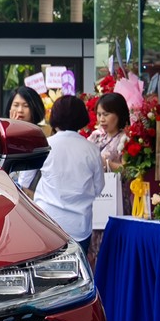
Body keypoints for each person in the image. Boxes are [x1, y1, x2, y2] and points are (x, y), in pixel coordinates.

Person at [36, 94, 106, 254]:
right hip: (79, 226)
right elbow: (98, 187)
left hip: (46, 221)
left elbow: (25, 179)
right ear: (82, 118)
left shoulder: (44, 145)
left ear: (54, 117)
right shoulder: (92, 149)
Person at [89, 92, 130, 173]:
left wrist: (106, 163)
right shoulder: (95, 135)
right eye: (99, 114)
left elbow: (128, 170)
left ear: (119, 114)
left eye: (106, 114)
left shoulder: (126, 139)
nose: (101, 119)